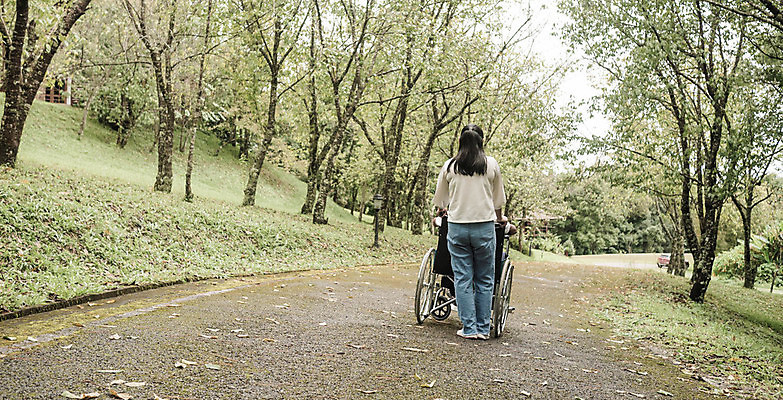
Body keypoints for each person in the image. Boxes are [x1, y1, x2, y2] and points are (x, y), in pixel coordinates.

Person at [433, 124, 505, 340]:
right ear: (481, 142)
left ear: (460, 141)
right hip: (484, 227)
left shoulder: (450, 166)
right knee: (484, 279)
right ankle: (483, 329)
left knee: (463, 278)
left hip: (458, 227)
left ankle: (469, 328)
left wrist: (443, 209)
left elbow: (441, 200)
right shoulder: (490, 164)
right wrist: (500, 217)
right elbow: (498, 198)